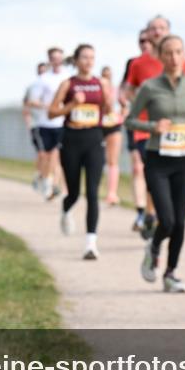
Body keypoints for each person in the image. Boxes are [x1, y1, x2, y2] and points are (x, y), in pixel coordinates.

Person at [126, 35, 185, 293]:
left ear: (184, 55)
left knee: (181, 222)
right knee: (168, 220)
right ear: (160, 57)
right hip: (157, 161)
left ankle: (171, 273)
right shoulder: (150, 88)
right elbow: (129, 121)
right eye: (168, 53)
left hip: (183, 161)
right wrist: (153, 126)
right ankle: (153, 247)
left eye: (178, 52)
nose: (174, 58)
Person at [123, 19, 185, 240]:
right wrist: (141, 101)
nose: (157, 32)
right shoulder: (138, 63)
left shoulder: (181, 61)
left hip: (174, 133)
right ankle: (150, 213)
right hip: (146, 129)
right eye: (153, 29)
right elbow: (128, 90)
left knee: (161, 178)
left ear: (168, 31)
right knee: (148, 170)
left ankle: (149, 213)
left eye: (162, 28)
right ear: (148, 32)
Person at [49, 44, 115, 260]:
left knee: (93, 193)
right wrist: (70, 106)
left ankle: (90, 243)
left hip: (94, 139)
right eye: (84, 57)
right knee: (75, 192)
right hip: (71, 140)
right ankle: (66, 209)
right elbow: (52, 112)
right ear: (76, 60)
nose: (88, 61)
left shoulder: (101, 83)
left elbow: (107, 111)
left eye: (92, 58)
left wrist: (108, 103)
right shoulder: (68, 84)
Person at [120, 30, 153, 231]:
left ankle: (153, 213)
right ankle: (141, 212)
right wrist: (132, 102)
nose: (145, 44)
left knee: (155, 171)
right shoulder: (134, 64)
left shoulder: (167, 61)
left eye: (149, 40)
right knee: (138, 168)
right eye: (141, 41)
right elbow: (124, 90)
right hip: (138, 124)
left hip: (162, 126)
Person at [27, 50, 67, 200]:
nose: (57, 61)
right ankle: (43, 177)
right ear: (49, 60)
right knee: (45, 156)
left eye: (59, 58)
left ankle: (52, 184)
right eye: (53, 59)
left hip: (61, 123)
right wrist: (48, 106)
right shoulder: (42, 80)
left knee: (56, 155)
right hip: (44, 123)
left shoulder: (67, 78)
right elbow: (32, 101)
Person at [99, 65, 124, 205]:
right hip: (99, 126)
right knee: (98, 160)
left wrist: (123, 115)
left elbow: (124, 105)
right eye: (104, 75)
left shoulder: (117, 90)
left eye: (108, 75)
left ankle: (112, 194)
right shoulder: (97, 89)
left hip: (114, 125)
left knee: (113, 160)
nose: (106, 78)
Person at [24, 61, 48, 192]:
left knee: (54, 155)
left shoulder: (54, 86)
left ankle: (50, 181)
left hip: (53, 125)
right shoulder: (32, 87)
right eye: (40, 72)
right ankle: (39, 175)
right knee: (42, 153)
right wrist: (28, 122)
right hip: (37, 124)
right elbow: (26, 106)